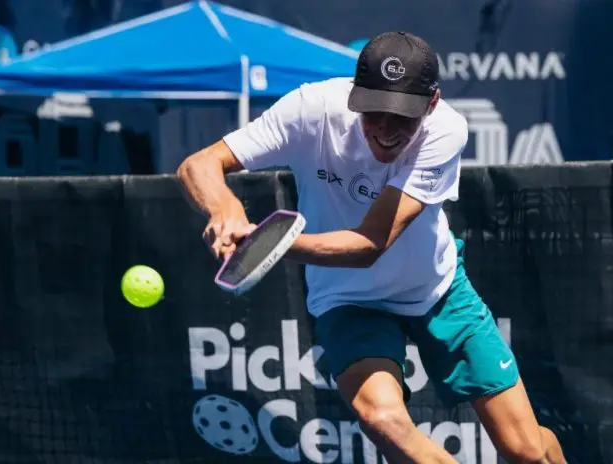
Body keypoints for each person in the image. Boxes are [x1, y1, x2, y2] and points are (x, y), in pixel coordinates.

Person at [176, 31, 566, 463]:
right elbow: (199, 164)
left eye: (402, 117)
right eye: (374, 111)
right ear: (355, 95)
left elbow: (370, 243)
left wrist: (271, 244)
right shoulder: (310, 109)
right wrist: (223, 207)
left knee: (528, 452)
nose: (385, 129)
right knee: (381, 417)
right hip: (347, 298)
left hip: (435, 290)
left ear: (431, 104)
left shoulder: (445, 130)